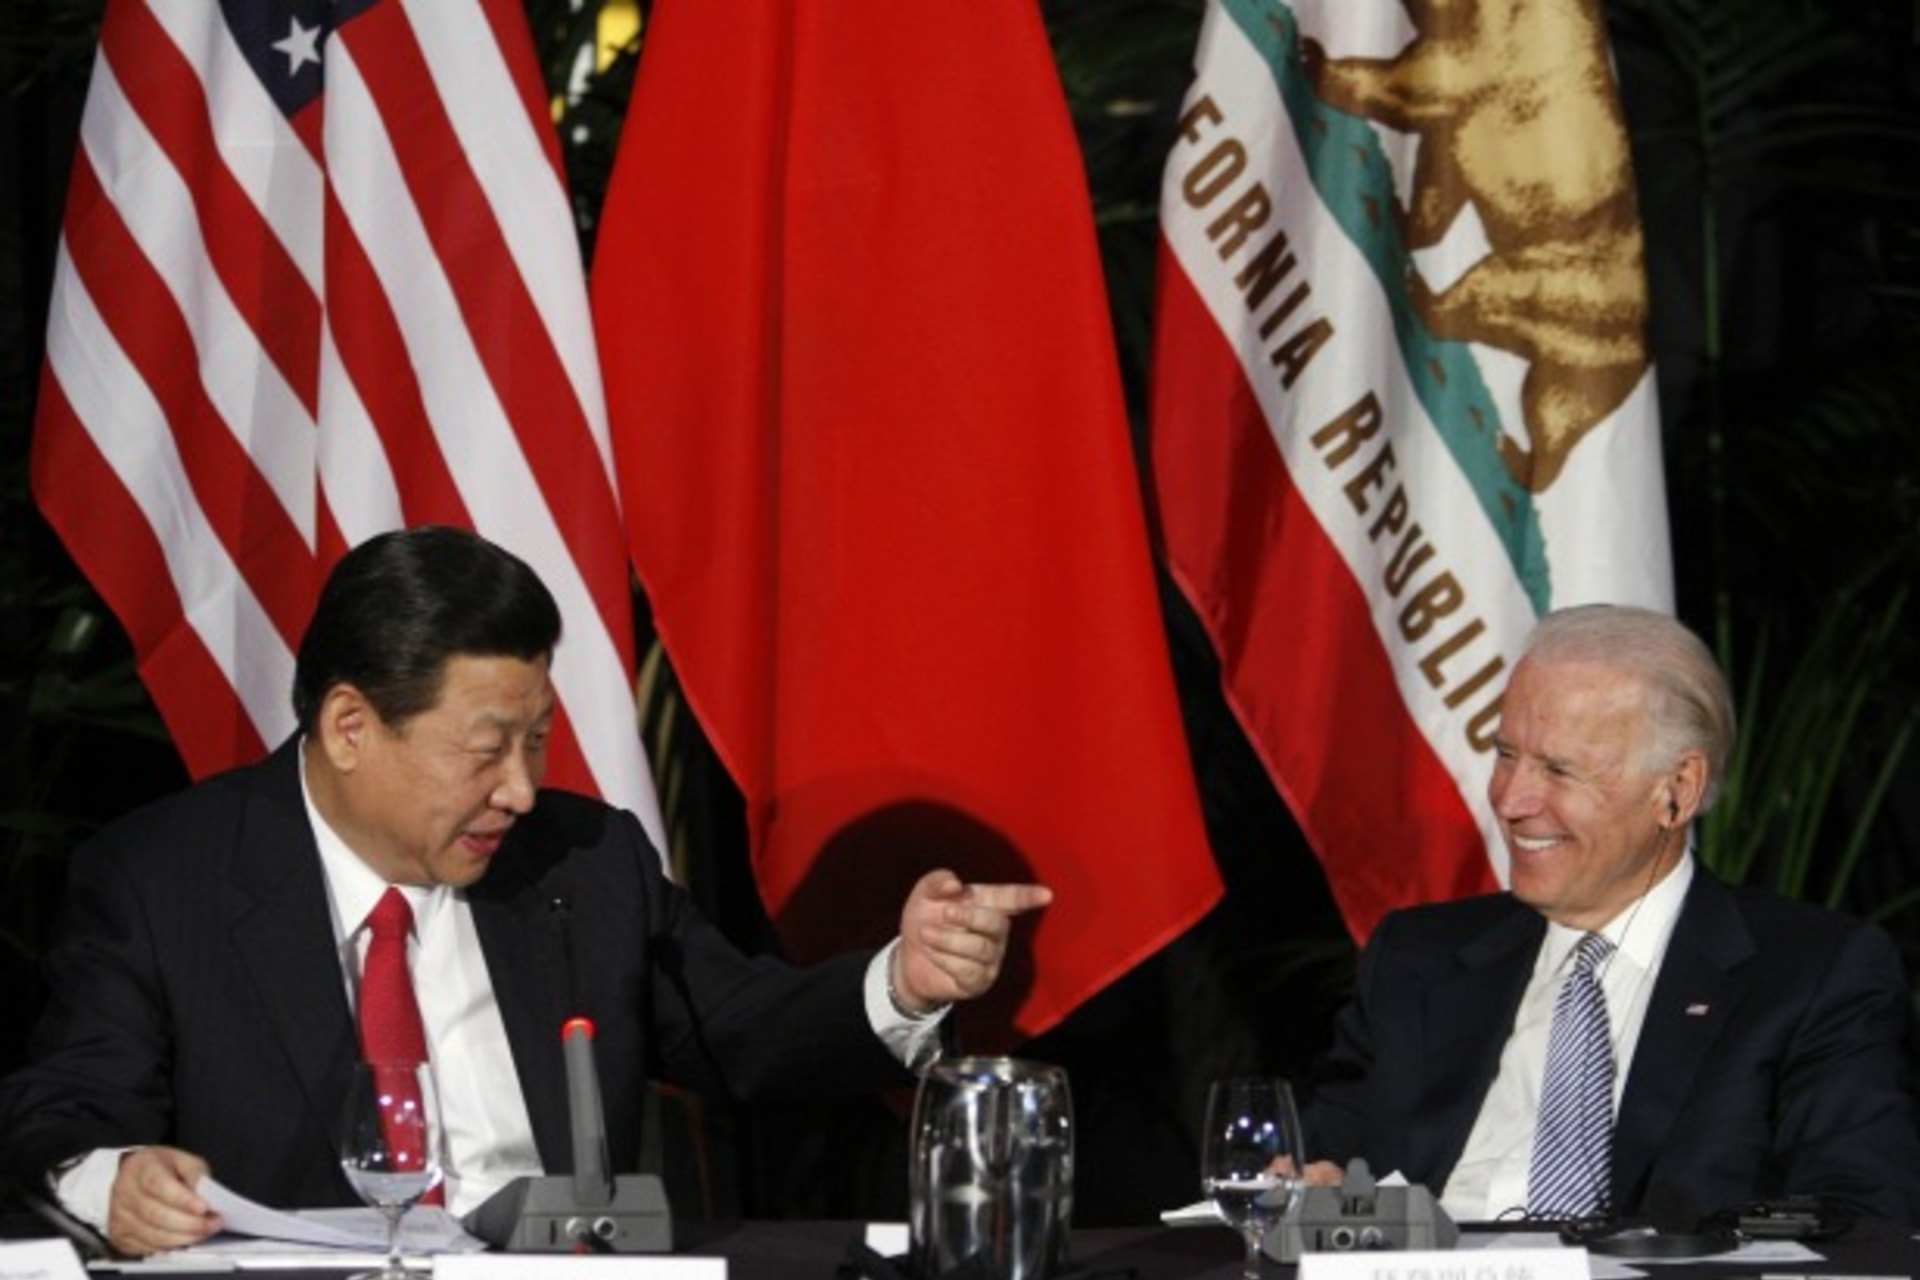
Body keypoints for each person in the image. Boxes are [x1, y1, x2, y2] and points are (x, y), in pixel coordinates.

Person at [0, 526, 1052, 1257]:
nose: (522, 786)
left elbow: (740, 1029)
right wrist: (119, 1178)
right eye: (487, 748)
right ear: (351, 726)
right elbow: (67, 1111)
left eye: (537, 739)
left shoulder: (584, 859)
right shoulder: (162, 876)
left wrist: (903, 984)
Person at [1301, 603, 1920, 1226]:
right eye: (1507, 755)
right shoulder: (1415, 959)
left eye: (1558, 770)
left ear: (1676, 791)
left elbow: (1861, 1215)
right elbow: (1323, 1165)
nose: (1512, 800)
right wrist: (1305, 1186)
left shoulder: (1812, 978)